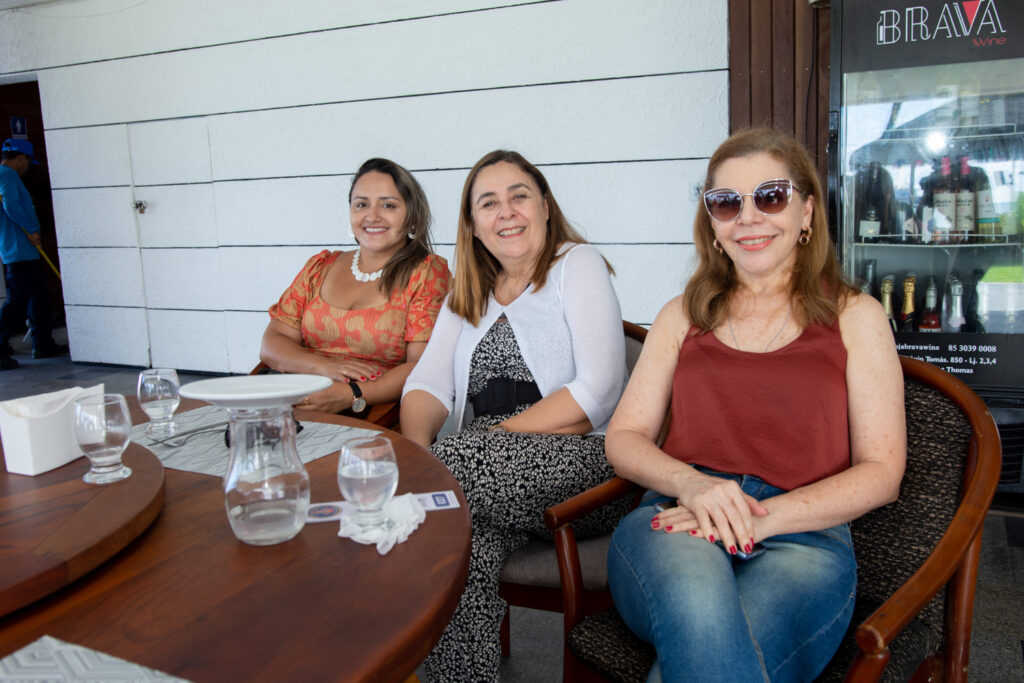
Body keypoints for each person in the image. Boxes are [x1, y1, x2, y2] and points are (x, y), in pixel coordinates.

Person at [604, 128, 906, 682]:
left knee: (709, 649)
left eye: (770, 196)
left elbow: (883, 472)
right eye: (726, 202)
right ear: (712, 223)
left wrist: (756, 521)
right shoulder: (681, 315)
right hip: (678, 520)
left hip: (805, 540)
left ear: (807, 210)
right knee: (698, 607)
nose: (748, 217)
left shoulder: (856, 316)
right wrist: (694, 485)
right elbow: (623, 439)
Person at [401, 150, 628, 681]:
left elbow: (596, 392)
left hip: (582, 469)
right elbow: (427, 383)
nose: (506, 212)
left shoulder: (578, 265)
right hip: (475, 479)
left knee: (427, 502)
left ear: (545, 206)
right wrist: (418, 455)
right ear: (473, 226)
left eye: (519, 196)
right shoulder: (470, 290)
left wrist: (474, 449)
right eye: (488, 203)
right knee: (460, 551)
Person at [260, 158, 451, 414]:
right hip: (294, 395)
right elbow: (272, 343)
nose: (372, 216)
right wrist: (323, 367)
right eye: (361, 204)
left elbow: (422, 365)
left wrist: (351, 394)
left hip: (371, 408)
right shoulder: (320, 266)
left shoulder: (426, 273)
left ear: (411, 216)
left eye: (388, 205)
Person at [0, 138, 66, 370]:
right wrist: (31, 231)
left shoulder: (8, 176)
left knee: (39, 297)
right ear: (20, 158)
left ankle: (43, 343)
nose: (27, 167)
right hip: (19, 249)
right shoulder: (6, 175)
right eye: (27, 162)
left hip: (26, 250)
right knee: (17, 301)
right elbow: (10, 205)